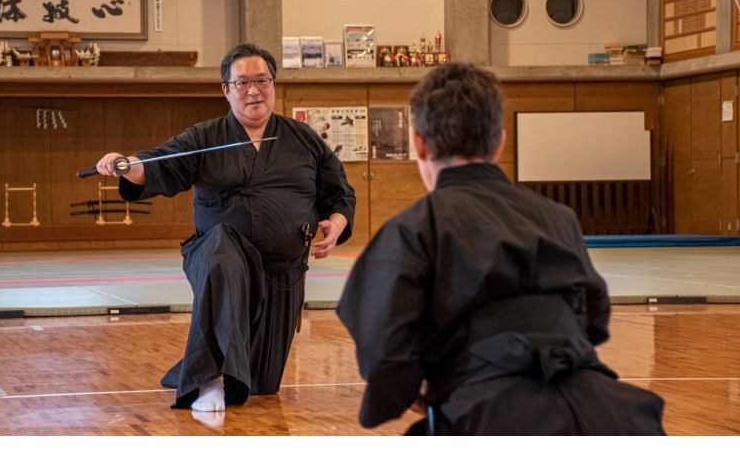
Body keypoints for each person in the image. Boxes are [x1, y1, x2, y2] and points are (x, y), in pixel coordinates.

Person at [336, 62, 665, 435]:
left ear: (419, 143)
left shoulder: (414, 228)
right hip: (608, 413)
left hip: (490, 415)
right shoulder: (558, 217)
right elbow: (594, 314)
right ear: (499, 142)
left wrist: (409, 391)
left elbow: (387, 350)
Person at [95, 43, 355, 413]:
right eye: (243, 82)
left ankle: (208, 369)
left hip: (282, 270)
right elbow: (160, 165)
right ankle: (207, 380)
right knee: (223, 253)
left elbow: (339, 192)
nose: (254, 90)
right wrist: (125, 164)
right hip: (219, 255)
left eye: (262, 80)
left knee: (261, 384)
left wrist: (337, 222)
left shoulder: (303, 138)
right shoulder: (205, 136)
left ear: (273, 84)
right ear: (226, 89)